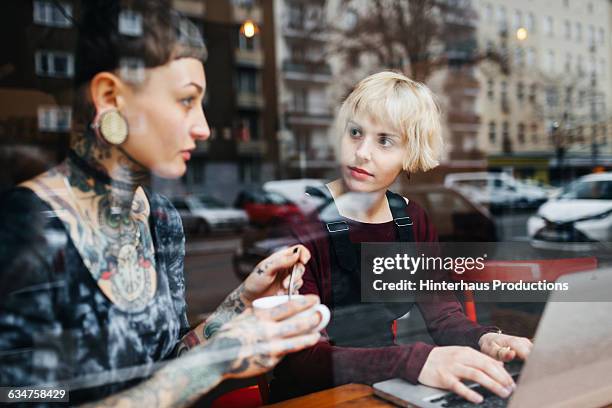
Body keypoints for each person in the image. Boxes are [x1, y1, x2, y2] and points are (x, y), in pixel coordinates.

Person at [0, 1, 322, 406]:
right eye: (187, 100)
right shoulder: (27, 230)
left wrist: (241, 304)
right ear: (110, 96)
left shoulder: (161, 220)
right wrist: (212, 364)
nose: (204, 127)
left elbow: (170, 363)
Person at [271, 72, 533, 404]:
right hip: (314, 397)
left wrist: (487, 339)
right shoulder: (301, 223)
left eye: (385, 140)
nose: (362, 152)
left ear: (410, 152)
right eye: (355, 132)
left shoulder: (411, 220)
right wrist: (414, 360)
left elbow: (443, 317)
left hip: (387, 386)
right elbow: (303, 361)